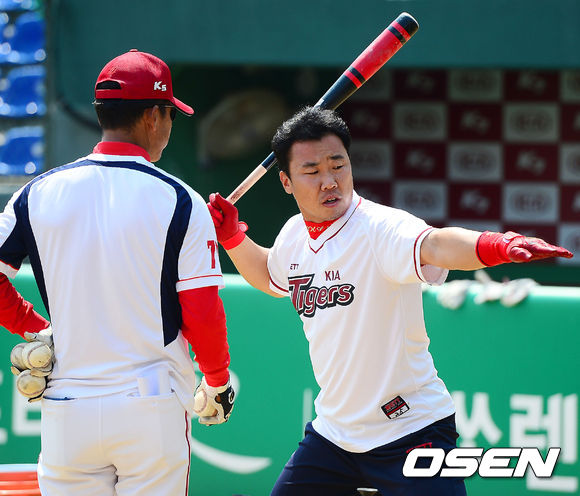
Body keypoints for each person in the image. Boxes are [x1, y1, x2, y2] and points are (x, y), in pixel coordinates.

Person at [207, 106, 573, 496]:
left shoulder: (381, 227)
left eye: (338, 165)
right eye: (311, 171)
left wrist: (496, 245)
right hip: (335, 435)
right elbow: (269, 275)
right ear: (286, 181)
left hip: (410, 429)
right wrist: (231, 236)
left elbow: (436, 245)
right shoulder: (294, 235)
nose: (329, 181)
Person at [0, 49, 234, 495]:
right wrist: (218, 379)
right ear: (152, 116)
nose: (170, 125)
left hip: (67, 407)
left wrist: (36, 328)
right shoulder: (180, 199)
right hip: (151, 406)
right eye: (170, 114)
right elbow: (201, 312)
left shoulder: (37, 192)